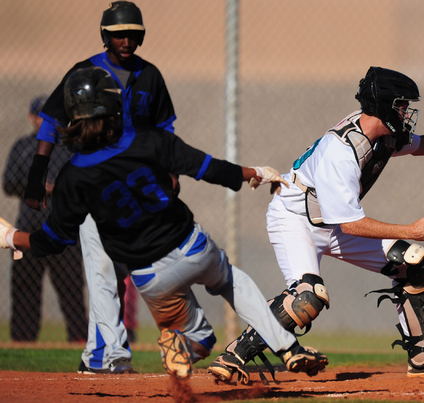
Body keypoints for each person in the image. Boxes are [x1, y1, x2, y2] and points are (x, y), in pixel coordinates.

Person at [0, 66, 328, 381]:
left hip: (149, 278)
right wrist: (254, 172)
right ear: (115, 107)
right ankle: (288, 347)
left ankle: (181, 344)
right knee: (231, 281)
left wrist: (12, 237)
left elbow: (51, 240)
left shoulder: (72, 177)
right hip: (191, 246)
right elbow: (209, 169)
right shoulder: (148, 140)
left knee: (201, 337)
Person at [208, 66, 424, 381]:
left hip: (331, 220)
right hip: (295, 219)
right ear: (384, 106)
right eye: (402, 105)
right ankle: (234, 356)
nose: (406, 113)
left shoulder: (381, 133)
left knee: (413, 264)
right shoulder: (342, 152)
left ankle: (423, 358)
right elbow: (352, 226)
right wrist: (409, 231)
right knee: (308, 298)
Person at [23, 1, 175, 373]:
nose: (125, 39)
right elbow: (50, 121)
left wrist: (170, 171)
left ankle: (94, 355)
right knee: (104, 269)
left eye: (132, 34)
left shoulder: (149, 76)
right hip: (93, 182)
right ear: (105, 36)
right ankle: (113, 355)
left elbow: (164, 129)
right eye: (118, 34)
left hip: (132, 190)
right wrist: (36, 174)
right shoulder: (85, 71)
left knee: (119, 272)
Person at [2, 95, 88, 343]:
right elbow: (8, 183)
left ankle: (80, 341)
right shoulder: (22, 147)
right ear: (31, 118)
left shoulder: (70, 147)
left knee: (72, 290)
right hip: (29, 228)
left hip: (64, 230)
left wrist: (58, 187)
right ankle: (23, 342)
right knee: (25, 289)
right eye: (40, 115)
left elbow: (83, 181)